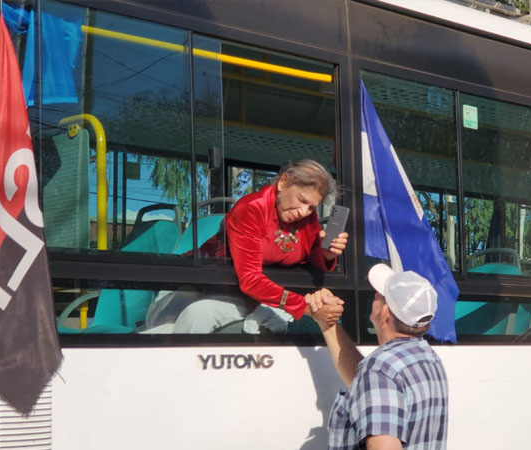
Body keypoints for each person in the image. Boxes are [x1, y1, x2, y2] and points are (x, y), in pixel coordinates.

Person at [144, 159, 348, 333]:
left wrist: (326, 253)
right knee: (165, 323)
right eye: (301, 200)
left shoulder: (307, 217)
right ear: (283, 182)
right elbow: (250, 279)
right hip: (210, 283)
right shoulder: (252, 208)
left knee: (197, 315)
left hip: (252, 296)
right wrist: (305, 307)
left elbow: (310, 260)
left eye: (311, 206)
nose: (304, 212)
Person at [315, 264, 449, 450]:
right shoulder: (427, 358)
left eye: (378, 296)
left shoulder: (381, 370)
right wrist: (327, 324)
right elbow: (363, 387)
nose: (374, 296)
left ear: (385, 313)